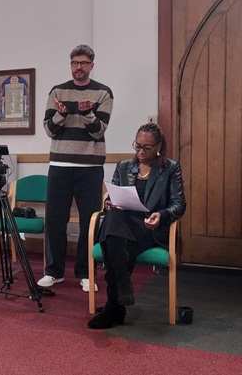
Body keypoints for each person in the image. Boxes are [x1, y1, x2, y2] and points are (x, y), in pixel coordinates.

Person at [87, 122, 186, 329]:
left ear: (158, 146)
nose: (140, 151)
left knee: (113, 238)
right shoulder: (124, 166)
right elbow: (112, 196)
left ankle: (114, 306)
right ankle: (121, 292)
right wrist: (109, 202)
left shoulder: (171, 168)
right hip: (122, 223)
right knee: (114, 219)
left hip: (149, 227)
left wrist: (161, 214)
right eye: (137, 146)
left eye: (147, 148)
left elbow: (179, 204)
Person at [39, 44, 113, 293]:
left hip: (89, 166)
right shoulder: (57, 91)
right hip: (59, 164)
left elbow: (98, 131)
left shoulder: (103, 92)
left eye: (83, 63)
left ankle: (85, 272)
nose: (78, 67)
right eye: (74, 63)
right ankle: (53, 272)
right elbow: (50, 130)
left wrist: (88, 113)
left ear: (91, 65)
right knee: (54, 220)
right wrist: (60, 115)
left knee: (88, 221)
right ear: (70, 65)